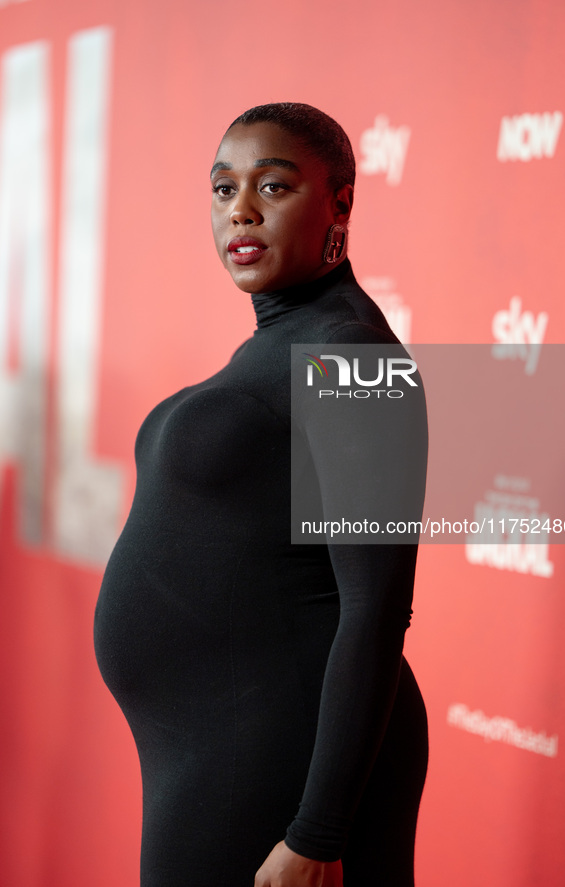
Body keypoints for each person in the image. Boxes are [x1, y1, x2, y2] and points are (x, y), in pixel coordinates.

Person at [94, 102, 428, 887]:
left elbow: (375, 607)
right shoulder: (281, 339)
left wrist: (317, 830)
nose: (239, 209)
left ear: (339, 200)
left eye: (272, 187)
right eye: (222, 190)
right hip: (218, 745)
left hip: (282, 760)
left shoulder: (351, 356)